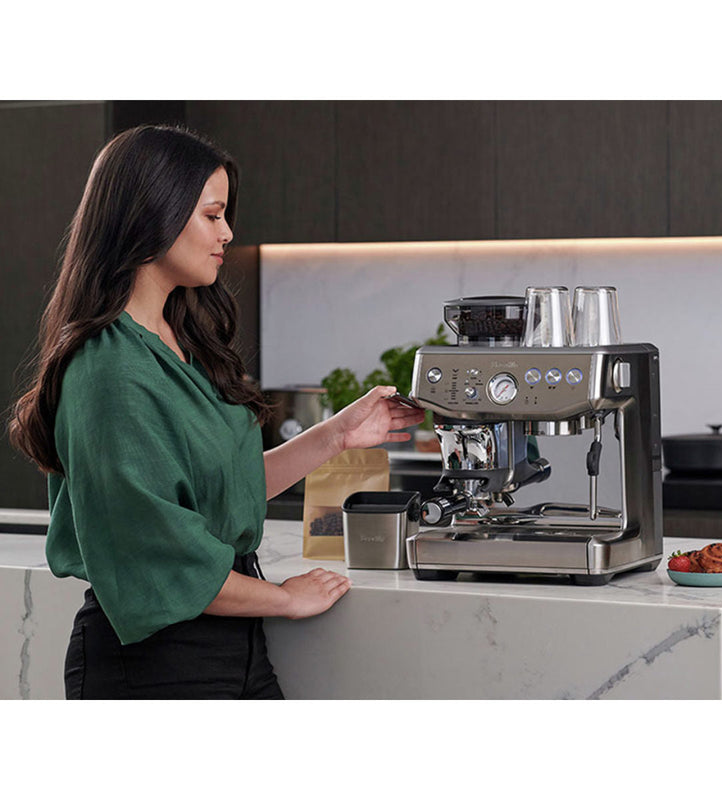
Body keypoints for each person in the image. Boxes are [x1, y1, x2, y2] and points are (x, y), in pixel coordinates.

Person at [7, 124, 424, 700]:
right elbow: (156, 555)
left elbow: (224, 491)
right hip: (153, 666)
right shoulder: (109, 371)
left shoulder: (177, 341)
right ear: (153, 214)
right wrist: (284, 598)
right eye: (212, 214)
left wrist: (338, 434)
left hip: (230, 644)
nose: (227, 232)